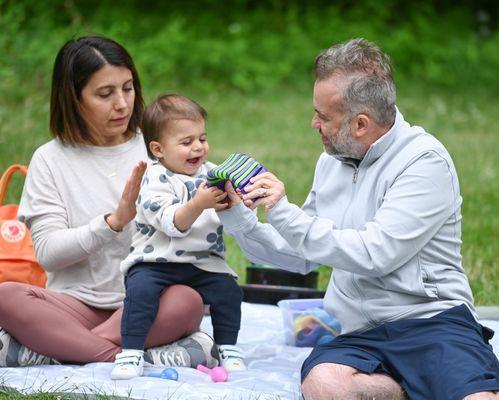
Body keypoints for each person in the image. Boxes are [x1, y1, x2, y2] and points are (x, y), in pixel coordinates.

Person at [217, 38, 499, 399]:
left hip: (432, 322)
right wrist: (241, 219)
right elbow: (301, 254)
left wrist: (284, 212)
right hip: (358, 334)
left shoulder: (425, 163)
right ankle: (415, 387)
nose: (313, 124)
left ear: (361, 124)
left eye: (323, 117)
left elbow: (375, 254)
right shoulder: (331, 161)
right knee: (324, 385)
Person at [0, 36, 218, 369]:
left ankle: (61, 350)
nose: (122, 104)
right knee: (7, 297)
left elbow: (202, 196)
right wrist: (112, 223)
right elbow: (47, 253)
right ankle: (124, 355)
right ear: (73, 98)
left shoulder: (157, 145)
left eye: (128, 89)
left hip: (150, 303)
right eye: (105, 94)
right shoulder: (49, 160)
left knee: (188, 299)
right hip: (73, 307)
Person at [111, 94, 246, 380]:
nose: (198, 147)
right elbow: (172, 222)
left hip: (202, 261)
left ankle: (226, 346)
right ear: (158, 149)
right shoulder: (154, 179)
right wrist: (198, 203)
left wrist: (239, 195)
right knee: (140, 292)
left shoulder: (211, 174)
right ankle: (131, 351)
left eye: (202, 138)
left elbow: (232, 206)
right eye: (186, 142)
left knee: (229, 291)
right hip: (155, 259)